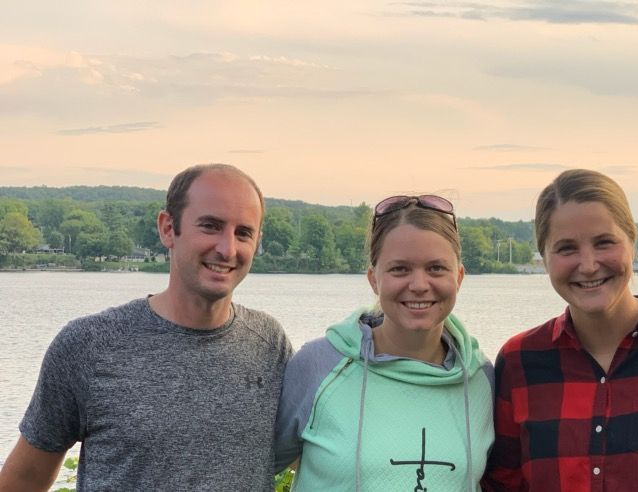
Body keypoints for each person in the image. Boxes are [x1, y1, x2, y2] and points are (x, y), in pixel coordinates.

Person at [0, 164, 292, 490]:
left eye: (243, 233)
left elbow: (323, 452)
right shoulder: (88, 345)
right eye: (210, 226)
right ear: (168, 228)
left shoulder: (270, 345)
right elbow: (24, 479)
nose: (227, 248)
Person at [484, 169, 638, 491]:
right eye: (566, 248)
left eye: (604, 243)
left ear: (632, 242)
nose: (588, 265)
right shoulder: (520, 361)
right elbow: (504, 484)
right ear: (544, 258)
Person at [274, 194, 494, 491]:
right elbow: (254, 465)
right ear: (373, 278)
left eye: (436, 268)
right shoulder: (320, 367)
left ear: (459, 277)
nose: (418, 285)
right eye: (400, 269)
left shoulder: (482, 379)